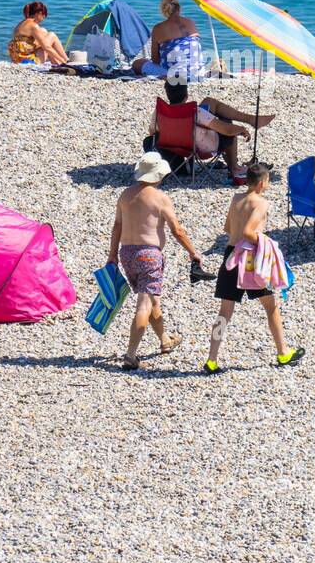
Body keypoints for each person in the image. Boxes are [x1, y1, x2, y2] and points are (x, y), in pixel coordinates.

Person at [107, 152, 207, 371]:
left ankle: (164, 340)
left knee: (152, 300)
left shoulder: (125, 195)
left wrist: (112, 255)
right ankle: (131, 355)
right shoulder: (160, 198)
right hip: (149, 255)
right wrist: (193, 253)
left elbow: (117, 227)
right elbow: (177, 230)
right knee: (144, 303)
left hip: (127, 254)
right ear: (158, 174)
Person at [206, 162, 304, 374]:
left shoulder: (236, 199)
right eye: (268, 181)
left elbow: (228, 228)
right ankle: (283, 352)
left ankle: (211, 359)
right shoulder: (261, 203)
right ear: (261, 183)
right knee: (271, 307)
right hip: (250, 259)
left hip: (230, 255)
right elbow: (249, 232)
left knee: (224, 312)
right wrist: (265, 244)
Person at [150, 80, 274, 183]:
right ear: (186, 95)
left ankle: (252, 120)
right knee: (227, 124)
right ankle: (234, 167)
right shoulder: (194, 112)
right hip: (200, 148)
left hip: (175, 146)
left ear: (167, 93)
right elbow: (226, 130)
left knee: (209, 102)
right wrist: (240, 129)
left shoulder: (160, 113)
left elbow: (152, 133)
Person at [133, 0, 206, 81]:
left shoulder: (158, 28)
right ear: (179, 8)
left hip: (174, 75)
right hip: (198, 72)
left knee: (137, 64)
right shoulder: (191, 22)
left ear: (163, 10)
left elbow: (155, 60)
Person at [9, 1, 68, 65]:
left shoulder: (21, 24)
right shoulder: (33, 26)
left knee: (43, 31)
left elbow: (25, 45)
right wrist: (62, 60)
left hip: (17, 60)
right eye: (44, 16)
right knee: (52, 35)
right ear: (39, 13)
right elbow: (47, 47)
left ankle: (57, 63)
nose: (43, 19)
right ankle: (66, 59)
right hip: (29, 62)